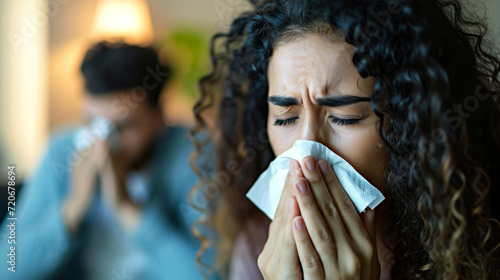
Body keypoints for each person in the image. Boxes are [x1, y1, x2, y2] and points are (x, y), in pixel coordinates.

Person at [190, 0, 500, 279]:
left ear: (413, 122)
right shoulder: (259, 247)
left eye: (345, 117)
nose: (306, 153)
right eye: (285, 118)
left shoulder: (480, 245)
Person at [0, 42, 205, 279]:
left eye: (124, 126)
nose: (104, 144)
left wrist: (128, 210)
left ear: (158, 117)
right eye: (92, 124)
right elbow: (7, 267)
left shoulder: (194, 155)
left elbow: (206, 275)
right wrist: (72, 209)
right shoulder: (61, 151)